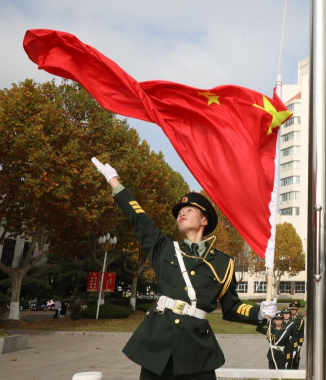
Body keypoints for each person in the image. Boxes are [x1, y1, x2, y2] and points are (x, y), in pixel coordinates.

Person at [92, 157, 277, 380]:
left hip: (196, 350)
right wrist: (114, 181)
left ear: (204, 221)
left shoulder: (224, 262)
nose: (182, 213)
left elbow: (231, 307)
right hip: (158, 343)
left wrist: (258, 312)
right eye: (180, 211)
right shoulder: (164, 248)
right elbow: (138, 217)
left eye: (189, 210)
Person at [288, 301, 305, 369]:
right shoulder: (286, 316)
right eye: (291, 309)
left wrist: (300, 344)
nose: (293, 311)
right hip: (287, 340)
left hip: (296, 341)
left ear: (297, 310)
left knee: (295, 358)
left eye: (294, 309)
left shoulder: (300, 319)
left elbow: (301, 332)